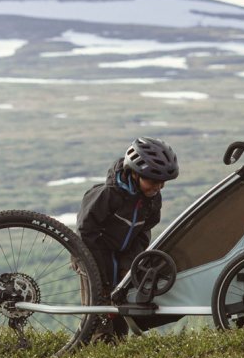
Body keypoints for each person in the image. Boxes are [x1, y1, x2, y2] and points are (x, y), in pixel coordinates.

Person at [76, 137, 179, 342]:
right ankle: (90, 343)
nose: (159, 187)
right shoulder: (107, 195)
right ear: (135, 173)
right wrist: (99, 275)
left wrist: (130, 265)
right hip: (91, 253)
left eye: (162, 182)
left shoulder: (151, 199)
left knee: (120, 304)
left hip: (122, 254)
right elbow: (85, 233)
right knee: (98, 306)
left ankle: (118, 342)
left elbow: (144, 232)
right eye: (153, 181)